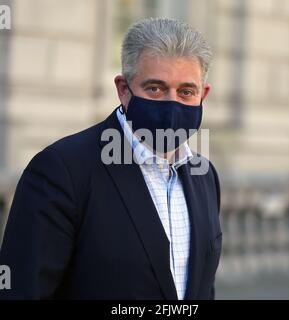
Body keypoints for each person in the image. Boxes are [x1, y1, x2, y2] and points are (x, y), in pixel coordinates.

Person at [0, 18, 221, 300]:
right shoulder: (61, 171)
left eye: (186, 92)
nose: (171, 104)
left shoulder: (205, 175)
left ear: (203, 95)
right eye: (155, 88)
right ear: (123, 90)